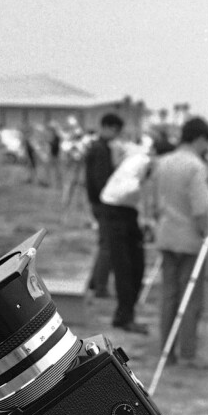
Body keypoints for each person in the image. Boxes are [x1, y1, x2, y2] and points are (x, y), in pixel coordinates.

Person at [153, 115, 208, 369]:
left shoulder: (163, 162)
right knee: (190, 299)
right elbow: (200, 208)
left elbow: (156, 201)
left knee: (169, 296)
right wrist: (207, 234)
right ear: (200, 139)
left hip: (167, 235)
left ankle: (167, 352)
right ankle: (188, 353)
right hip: (189, 238)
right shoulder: (195, 166)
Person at [98, 133, 153, 334]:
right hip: (116, 211)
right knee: (126, 268)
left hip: (124, 212)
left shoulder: (140, 160)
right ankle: (124, 317)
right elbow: (126, 190)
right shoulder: (141, 162)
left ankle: (125, 315)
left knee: (136, 267)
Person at [84, 113, 124, 299]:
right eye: (115, 130)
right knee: (108, 245)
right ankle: (100, 286)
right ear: (107, 127)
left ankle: (94, 281)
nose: (116, 135)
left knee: (104, 244)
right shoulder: (100, 149)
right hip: (103, 203)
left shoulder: (98, 147)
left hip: (97, 202)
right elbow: (100, 181)